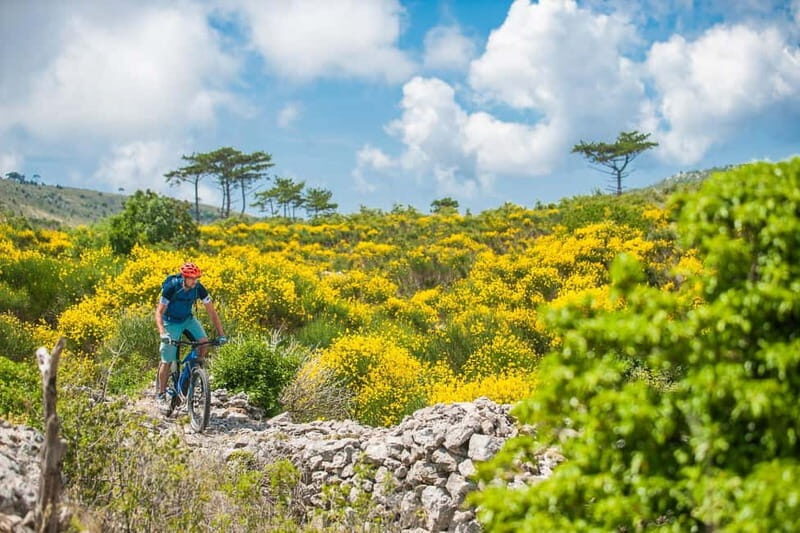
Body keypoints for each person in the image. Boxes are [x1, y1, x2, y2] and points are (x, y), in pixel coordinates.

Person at [155, 262, 226, 410]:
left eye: (196, 278)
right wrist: (163, 332)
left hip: (188, 320)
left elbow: (212, 312)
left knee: (204, 343)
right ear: (184, 277)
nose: (194, 281)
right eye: (191, 278)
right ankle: (161, 394)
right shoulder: (171, 288)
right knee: (166, 360)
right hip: (170, 322)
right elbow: (159, 313)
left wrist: (221, 334)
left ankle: (192, 373)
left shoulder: (198, 288)